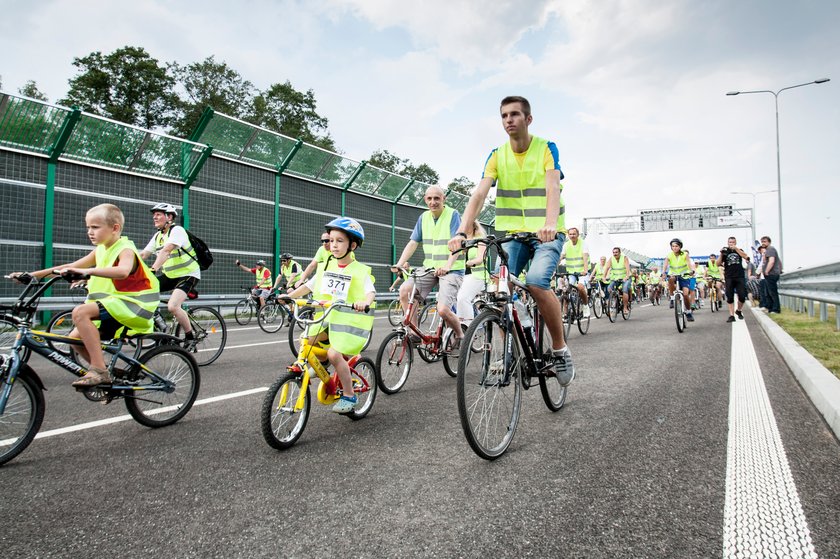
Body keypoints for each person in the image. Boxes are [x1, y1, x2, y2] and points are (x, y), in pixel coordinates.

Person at [447, 95, 575, 386]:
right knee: (499, 288)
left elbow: (553, 186)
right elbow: (479, 193)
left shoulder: (546, 148)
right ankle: (508, 348)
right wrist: (463, 231)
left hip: (546, 233)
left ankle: (559, 349)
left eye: (515, 114)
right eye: (504, 115)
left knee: (537, 281)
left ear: (528, 119)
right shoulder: (496, 154)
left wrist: (551, 224)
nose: (509, 120)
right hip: (511, 234)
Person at [13, 204, 159, 386]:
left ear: (115, 228)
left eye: (95, 227)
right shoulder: (101, 250)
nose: (90, 232)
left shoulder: (125, 248)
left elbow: (123, 271)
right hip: (116, 306)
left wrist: (87, 273)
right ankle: (108, 375)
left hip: (134, 306)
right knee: (74, 339)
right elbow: (69, 267)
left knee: (80, 312)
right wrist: (31, 276)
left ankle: (99, 370)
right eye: (88, 227)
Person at [282, 217, 376, 413]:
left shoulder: (359, 270)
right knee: (307, 340)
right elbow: (310, 285)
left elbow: (370, 291)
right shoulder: (327, 266)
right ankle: (322, 366)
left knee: (334, 353)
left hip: (348, 321)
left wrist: (364, 303)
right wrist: (288, 296)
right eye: (331, 240)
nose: (333, 245)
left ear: (353, 245)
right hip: (328, 318)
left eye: (339, 241)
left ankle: (349, 396)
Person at [395, 185, 465, 353]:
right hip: (430, 269)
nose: (433, 202)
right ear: (425, 200)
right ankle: (414, 333)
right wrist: (400, 263)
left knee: (442, 309)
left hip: (452, 269)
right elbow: (413, 242)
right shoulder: (424, 217)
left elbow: (459, 243)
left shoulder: (453, 215)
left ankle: (461, 335)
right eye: (429, 199)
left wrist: (448, 266)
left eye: (437, 198)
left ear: (443, 199)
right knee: (405, 290)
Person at [139, 203, 198, 343]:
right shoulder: (157, 236)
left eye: (158, 214)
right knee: (141, 292)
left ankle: (190, 337)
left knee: (173, 306)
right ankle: (160, 325)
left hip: (188, 274)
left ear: (169, 217)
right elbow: (143, 255)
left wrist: (153, 269)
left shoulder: (177, 230)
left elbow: (167, 250)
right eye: (154, 214)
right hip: (170, 276)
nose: (154, 217)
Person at [455, 220, 489, 327]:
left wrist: (470, 262)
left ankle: (468, 327)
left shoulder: (480, 240)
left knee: (463, 298)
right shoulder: (461, 241)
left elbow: (480, 258)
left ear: (474, 227)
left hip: (477, 277)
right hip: (463, 276)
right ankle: (459, 324)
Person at [662, 238, 696, 322]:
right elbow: (665, 265)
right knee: (671, 278)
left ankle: (688, 312)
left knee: (685, 294)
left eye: (676, 246)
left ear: (680, 246)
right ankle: (673, 298)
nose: (674, 248)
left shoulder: (684, 254)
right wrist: (663, 272)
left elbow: (689, 263)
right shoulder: (669, 255)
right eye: (673, 246)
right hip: (673, 274)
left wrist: (691, 271)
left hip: (684, 276)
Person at [560, 227, 590, 318]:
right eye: (570, 234)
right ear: (568, 235)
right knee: (566, 291)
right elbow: (560, 257)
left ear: (578, 235)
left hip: (582, 272)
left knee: (580, 287)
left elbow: (585, 258)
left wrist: (585, 270)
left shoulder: (583, 243)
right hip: (571, 272)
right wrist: (553, 269)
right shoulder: (566, 245)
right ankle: (565, 313)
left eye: (574, 234)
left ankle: (585, 305)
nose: (572, 236)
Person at [718, 236, 751, 322]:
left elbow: (746, 257)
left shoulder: (739, 250)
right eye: (730, 242)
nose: (731, 244)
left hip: (739, 276)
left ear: (735, 243)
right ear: (727, 243)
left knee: (742, 296)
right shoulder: (725, 252)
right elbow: (718, 264)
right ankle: (731, 315)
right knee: (730, 296)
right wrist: (721, 253)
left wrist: (736, 249)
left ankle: (739, 310)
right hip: (729, 276)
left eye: (733, 242)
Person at [602, 247, 632, 315]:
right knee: (609, 288)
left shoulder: (624, 258)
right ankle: (613, 302)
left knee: (625, 289)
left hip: (625, 277)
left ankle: (625, 308)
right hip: (616, 278)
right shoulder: (611, 259)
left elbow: (627, 268)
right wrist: (604, 276)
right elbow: (607, 268)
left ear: (620, 253)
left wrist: (627, 276)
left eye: (616, 252)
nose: (615, 254)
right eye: (613, 252)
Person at [760, 236, 782, 313]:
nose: (763, 243)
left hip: (771, 274)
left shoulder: (770, 249)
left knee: (772, 292)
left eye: (765, 241)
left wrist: (766, 271)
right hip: (770, 274)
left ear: (769, 242)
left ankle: (776, 309)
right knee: (768, 292)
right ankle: (771, 308)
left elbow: (771, 261)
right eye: (762, 241)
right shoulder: (767, 251)